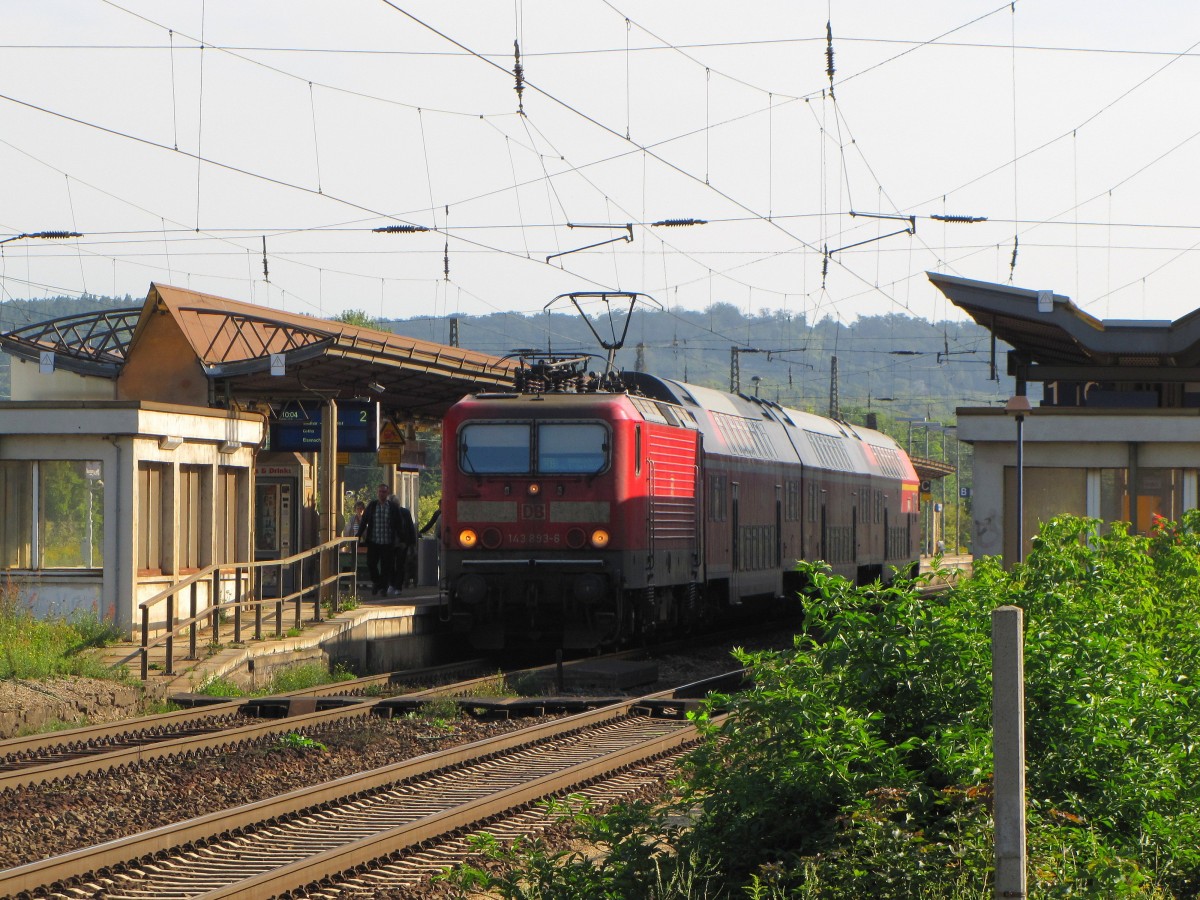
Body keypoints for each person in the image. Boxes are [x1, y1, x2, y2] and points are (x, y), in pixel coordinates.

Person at [359, 484, 415, 597]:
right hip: (374, 541)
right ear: (377, 493)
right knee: (371, 563)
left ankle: (382, 588)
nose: (381, 494)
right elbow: (364, 521)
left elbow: (399, 524)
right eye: (380, 492)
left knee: (386, 567)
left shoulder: (393, 508)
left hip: (387, 542)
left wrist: (403, 540)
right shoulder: (372, 506)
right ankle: (377, 582)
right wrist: (358, 535)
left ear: (387, 493)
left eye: (384, 492)